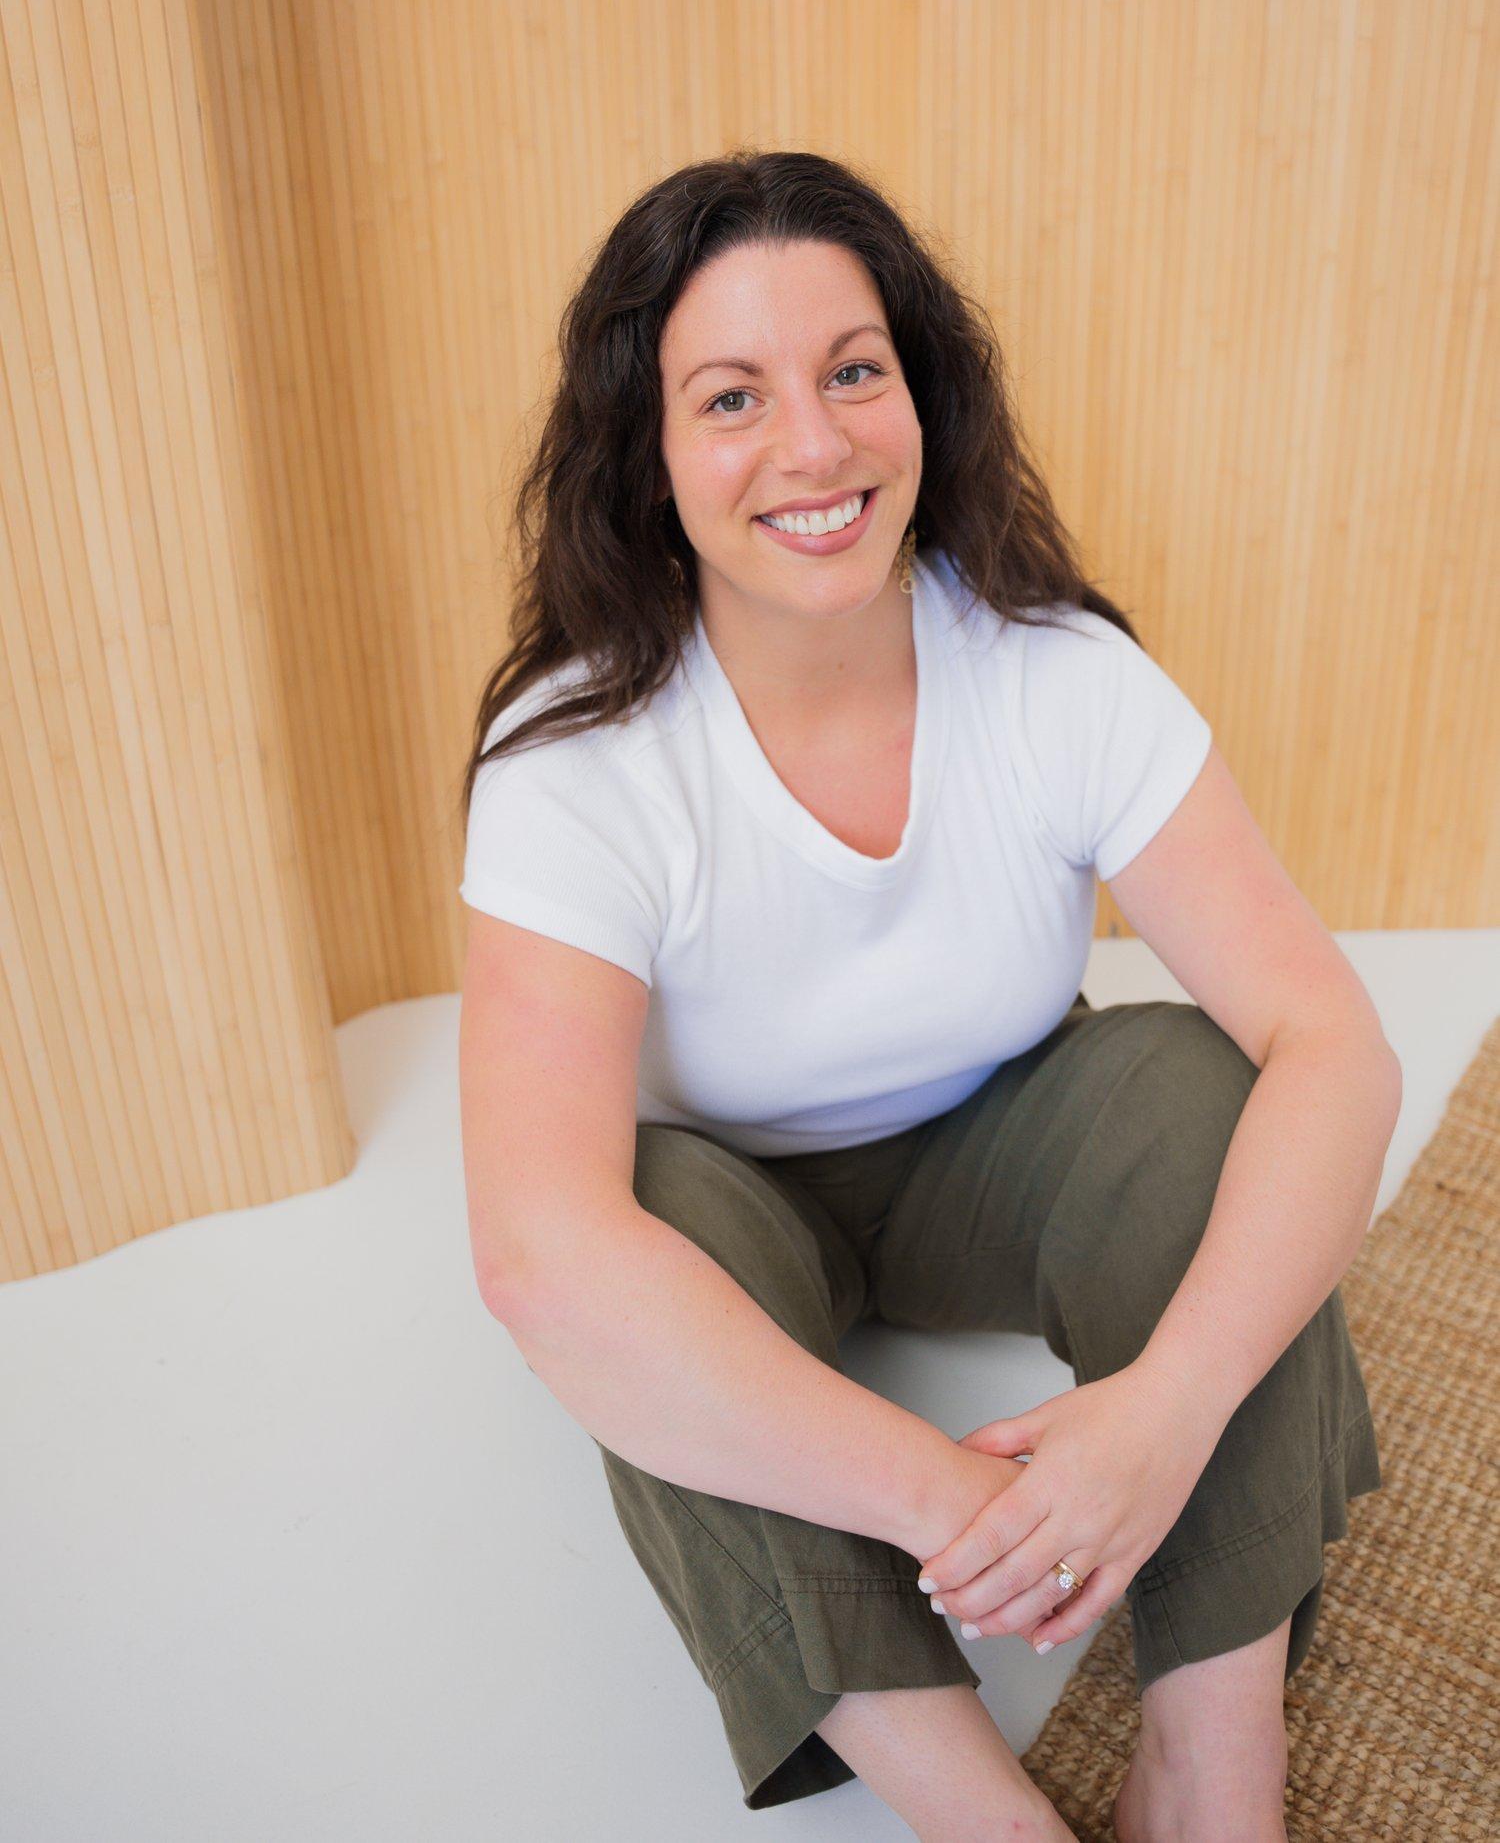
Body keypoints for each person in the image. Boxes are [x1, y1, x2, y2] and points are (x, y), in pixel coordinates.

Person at [454, 151, 1394, 1840]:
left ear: (922, 397)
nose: (812, 447)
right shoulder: (573, 762)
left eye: (852, 372)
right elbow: (536, 1254)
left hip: (1002, 1142)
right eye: (730, 397)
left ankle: (1213, 1753)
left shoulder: (1055, 675)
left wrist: (1160, 1423)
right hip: (737, 1201)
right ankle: (984, 1813)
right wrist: (963, 1504)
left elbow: (1332, 1043)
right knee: (632, 1261)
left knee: (1199, 1083)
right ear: (648, 455)